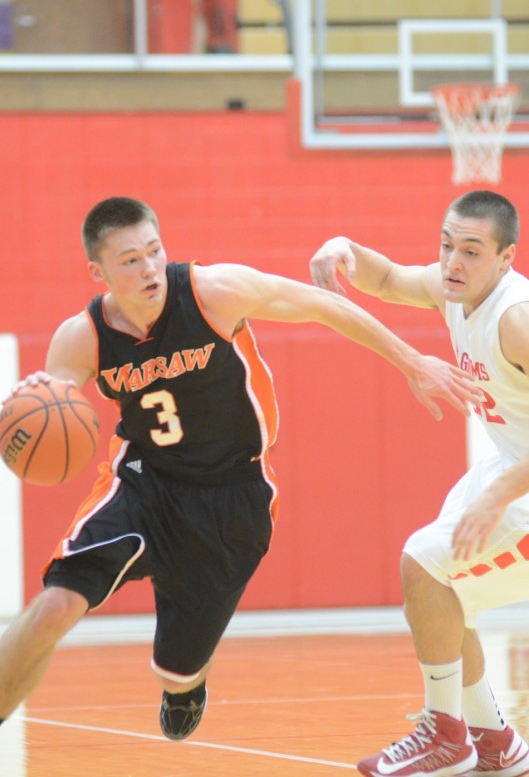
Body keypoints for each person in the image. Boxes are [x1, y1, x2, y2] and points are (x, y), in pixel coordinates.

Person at [0, 196, 482, 743]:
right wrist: (24, 425)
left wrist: (414, 362)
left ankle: (185, 683)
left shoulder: (213, 292)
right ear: (99, 271)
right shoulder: (80, 337)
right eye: (130, 260)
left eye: (155, 252)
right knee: (52, 608)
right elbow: (50, 412)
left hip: (233, 497)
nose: (149, 269)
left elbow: (323, 306)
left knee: (179, 671)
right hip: (143, 484)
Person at [310, 189, 529, 777]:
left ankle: (446, 735)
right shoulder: (450, 287)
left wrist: (502, 492)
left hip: (521, 486)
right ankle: (495, 741)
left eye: (472, 251)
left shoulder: (517, 321)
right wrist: (344, 247)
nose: (453, 262)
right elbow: (386, 279)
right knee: (445, 596)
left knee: (422, 564)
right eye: (446, 245)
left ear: (506, 258)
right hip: (511, 467)